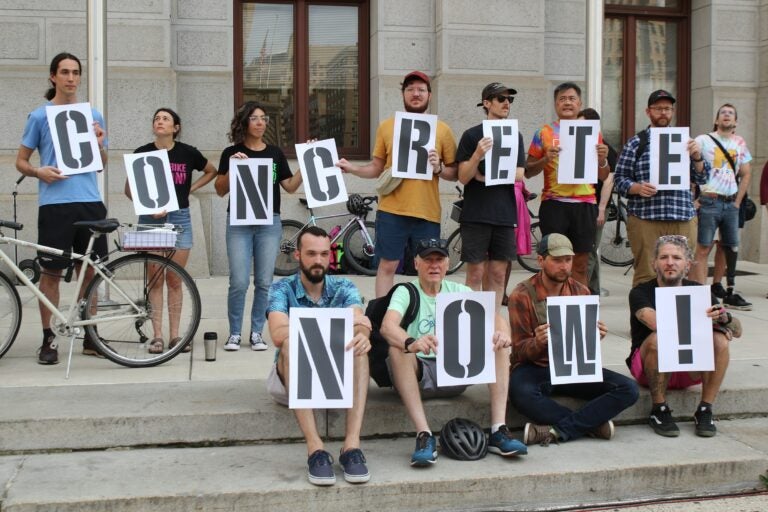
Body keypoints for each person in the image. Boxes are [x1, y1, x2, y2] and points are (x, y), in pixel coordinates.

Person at [380, 238, 527, 466]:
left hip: (457, 371)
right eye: (428, 260)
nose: (434, 265)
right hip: (420, 374)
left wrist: (503, 334)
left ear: (448, 264)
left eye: (439, 259)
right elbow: (388, 326)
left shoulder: (460, 290)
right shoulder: (405, 291)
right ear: (416, 263)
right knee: (398, 349)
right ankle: (424, 435)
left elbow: (495, 318)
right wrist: (411, 342)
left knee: (499, 344)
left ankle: (499, 429)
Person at [15, 52, 108, 365]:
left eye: (76, 72)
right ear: (53, 76)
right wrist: (39, 172)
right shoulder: (39, 116)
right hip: (55, 204)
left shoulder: (92, 114)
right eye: (65, 72)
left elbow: (101, 164)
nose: (71, 78)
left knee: (91, 271)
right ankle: (49, 338)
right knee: (51, 273)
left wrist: (98, 143)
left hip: (89, 200)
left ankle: (91, 335)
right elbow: (21, 161)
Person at [508, 233, 638, 446]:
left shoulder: (581, 291)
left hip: (572, 367)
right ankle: (593, 425)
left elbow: (583, 348)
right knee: (520, 393)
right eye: (557, 260)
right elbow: (519, 352)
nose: (564, 266)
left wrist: (596, 336)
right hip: (536, 367)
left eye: (567, 260)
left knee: (628, 389)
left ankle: (560, 429)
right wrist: (536, 342)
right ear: (541, 261)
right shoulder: (522, 295)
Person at [337, 71, 458, 298]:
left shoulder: (442, 130)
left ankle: (426, 318)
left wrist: (440, 167)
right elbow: (376, 167)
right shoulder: (387, 127)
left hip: (427, 212)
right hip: (392, 211)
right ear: (402, 94)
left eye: (421, 90)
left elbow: (455, 173)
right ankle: (383, 318)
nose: (416, 94)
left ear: (430, 95)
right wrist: (353, 168)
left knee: (430, 269)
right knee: (387, 266)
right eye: (410, 89)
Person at [266, 226, 372, 486]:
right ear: (298, 255)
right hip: (291, 377)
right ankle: (315, 449)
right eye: (311, 253)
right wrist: (334, 324)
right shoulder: (281, 289)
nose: (318, 261)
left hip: (334, 376)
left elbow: (359, 320)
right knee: (291, 343)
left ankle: (351, 447)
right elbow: (278, 333)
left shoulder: (344, 286)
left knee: (359, 347)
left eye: (324, 254)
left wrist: (361, 332)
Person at [124, 107, 217, 353]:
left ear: (175, 127)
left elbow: (212, 170)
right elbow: (128, 189)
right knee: (155, 278)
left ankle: (176, 336)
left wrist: (190, 189)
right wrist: (148, 204)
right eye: (156, 118)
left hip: (179, 218)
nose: (160, 121)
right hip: (151, 219)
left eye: (166, 118)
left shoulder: (187, 153)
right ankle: (157, 336)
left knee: (175, 278)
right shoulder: (142, 153)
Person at [628, 235, 741, 437]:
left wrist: (724, 317)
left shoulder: (699, 291)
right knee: (658, 338)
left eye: (676, 258)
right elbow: (655, 322)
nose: (670, 262)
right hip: (649, 367)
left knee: (720, 340)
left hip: (689, 368)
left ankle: (705, 409)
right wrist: (702, 317)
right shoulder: (641, 292)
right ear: (654, 263)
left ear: (688, 264)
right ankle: (659, 409)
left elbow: (738, 330)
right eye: (663, 257)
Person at [215, 101, 302, 352]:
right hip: (239, 223)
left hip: (269, 222)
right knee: (239, 281)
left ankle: (256, 332)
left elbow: (290, 186)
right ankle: (234, 333)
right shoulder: (231, 152)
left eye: (264, 118)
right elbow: (220, 190)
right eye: (254, 118)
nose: (261, 122)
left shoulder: (274, 153)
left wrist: (307, 163)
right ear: (244, 123)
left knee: (264, 281)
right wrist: (234, 167)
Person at [613, 89, 710, 287]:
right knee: (646, 274)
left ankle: (676, 317)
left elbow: (703, 177)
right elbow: (619, 179)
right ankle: (645, 317)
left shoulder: (685, 142)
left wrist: (697, 157)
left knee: (681, 273)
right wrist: (637, 188)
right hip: (645, 218)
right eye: (658, 109)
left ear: (673, 111)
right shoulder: (636, 143)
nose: (663, 113)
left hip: (682, 216)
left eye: (667, 108)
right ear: (648, 112)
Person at [526, 82, 611, 287]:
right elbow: (528, 171)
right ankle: (553, 306)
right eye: (562, 99)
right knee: (553, 262)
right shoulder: (543, 133)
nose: (567, 103)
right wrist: (545, 159)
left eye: (571, 98)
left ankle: (578, 308)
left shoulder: (593, 133)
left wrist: (603, 160)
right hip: (554, 204)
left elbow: (603, 175)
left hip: (585, 205)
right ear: (555, 104)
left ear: (580, 103)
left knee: (581, 263)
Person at [455, 82, 525, 308]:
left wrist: (486, 176)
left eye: (510, 99)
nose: (506, 103)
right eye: (501, 98)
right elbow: (463, 176)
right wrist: (477, 155)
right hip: (476, 212)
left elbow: (520, 174)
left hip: (504, 212)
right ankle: (474, 324)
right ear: (487, 103)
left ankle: (492, 322)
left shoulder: (515, 134)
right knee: (475, 272)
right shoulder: (471, 135)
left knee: (498, 273)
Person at [688, 104, 752, 310]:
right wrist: (693, 199)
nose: (726, 115)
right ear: (716, 120)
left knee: (729, 247)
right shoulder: (703, 140)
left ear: (736, 123)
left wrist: (738, 202)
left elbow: (746, 172)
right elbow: (691, 168)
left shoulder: (739, 142)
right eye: (723, 113)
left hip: (730, 202)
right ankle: (700, 292)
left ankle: (727, 290)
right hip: (709, 200)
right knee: (703, 246)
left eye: (731, 113)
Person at [577, 108, 618, 296]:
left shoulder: (606, 149)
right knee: (589, 250)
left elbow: (608, 181)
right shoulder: (579, 146)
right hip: (581, 205)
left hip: (597, 206)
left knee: (590, 249)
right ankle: (593, 289)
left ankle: (586, 291)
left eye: (582, 124)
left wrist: (601, 209)